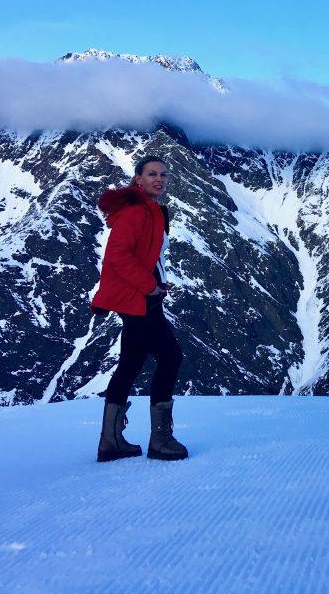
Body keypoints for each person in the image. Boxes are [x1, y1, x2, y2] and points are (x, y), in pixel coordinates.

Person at [91, 155, 189, 462]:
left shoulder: (152, 210)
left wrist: (158, 283)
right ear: (138, 179)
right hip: (137, 298)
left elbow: (148, 255)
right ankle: (160, 440)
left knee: (131, 363)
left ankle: (111, 442)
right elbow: (118, 256)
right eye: (151, 174)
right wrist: (149, 287)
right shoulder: (135, 211)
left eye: (163, 174)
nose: (158, 179)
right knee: (170, 356)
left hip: (142, 296)